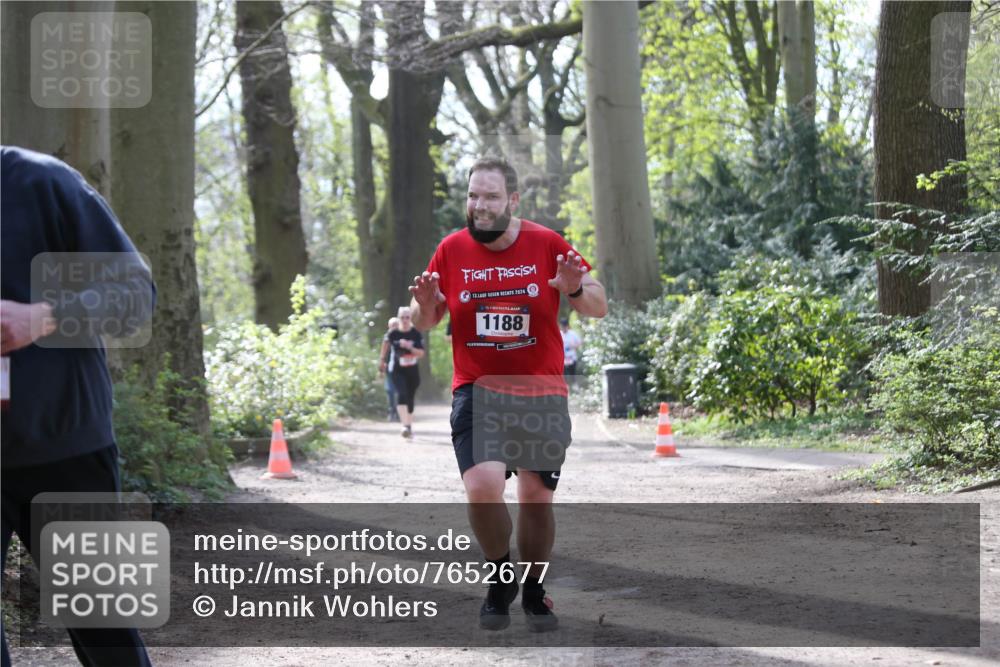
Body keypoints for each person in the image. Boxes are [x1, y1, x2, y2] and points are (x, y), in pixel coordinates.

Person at [409, 155, 607, 632]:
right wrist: (423, 307)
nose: (479, 205)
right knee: (481, 488)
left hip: (540, 391)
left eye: (491, 196)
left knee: (536, 499)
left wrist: (576, 290)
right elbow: (428, 320)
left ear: (513, 200)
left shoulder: (546, 243)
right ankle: (501, 578)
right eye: (473, 195)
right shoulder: (451, 249)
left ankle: (535, 591)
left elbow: (598, 305)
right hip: (478, 389)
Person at [1, 146, 155, 666]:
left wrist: (43, 317)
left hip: (64, 448)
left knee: (104, 627)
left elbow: (136, 296)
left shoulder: (42, 183)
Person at [385, 306, 424, 438]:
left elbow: (421, 353)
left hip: (412, 371)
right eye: (402, 317)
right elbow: (387, 346)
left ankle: (409, 425)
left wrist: (410, 347)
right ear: (399, 318)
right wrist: (382, 361)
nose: (405, 320)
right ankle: (404, 425)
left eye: (407, 317)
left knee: (410, 397)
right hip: (397, 370)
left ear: (411, 318)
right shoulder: (393, 334)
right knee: (401, 393)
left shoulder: (416, 333)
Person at [379, 317, 401, 422]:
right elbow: (383, 353)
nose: (394, 327)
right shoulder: (387, 337)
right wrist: (382, 364)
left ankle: (399, 412)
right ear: (389, 326)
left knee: (399, 390)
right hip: (389, 367)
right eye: (392, 325)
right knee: (390, 390)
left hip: (401, 368)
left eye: (396, 325)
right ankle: (391, 411)